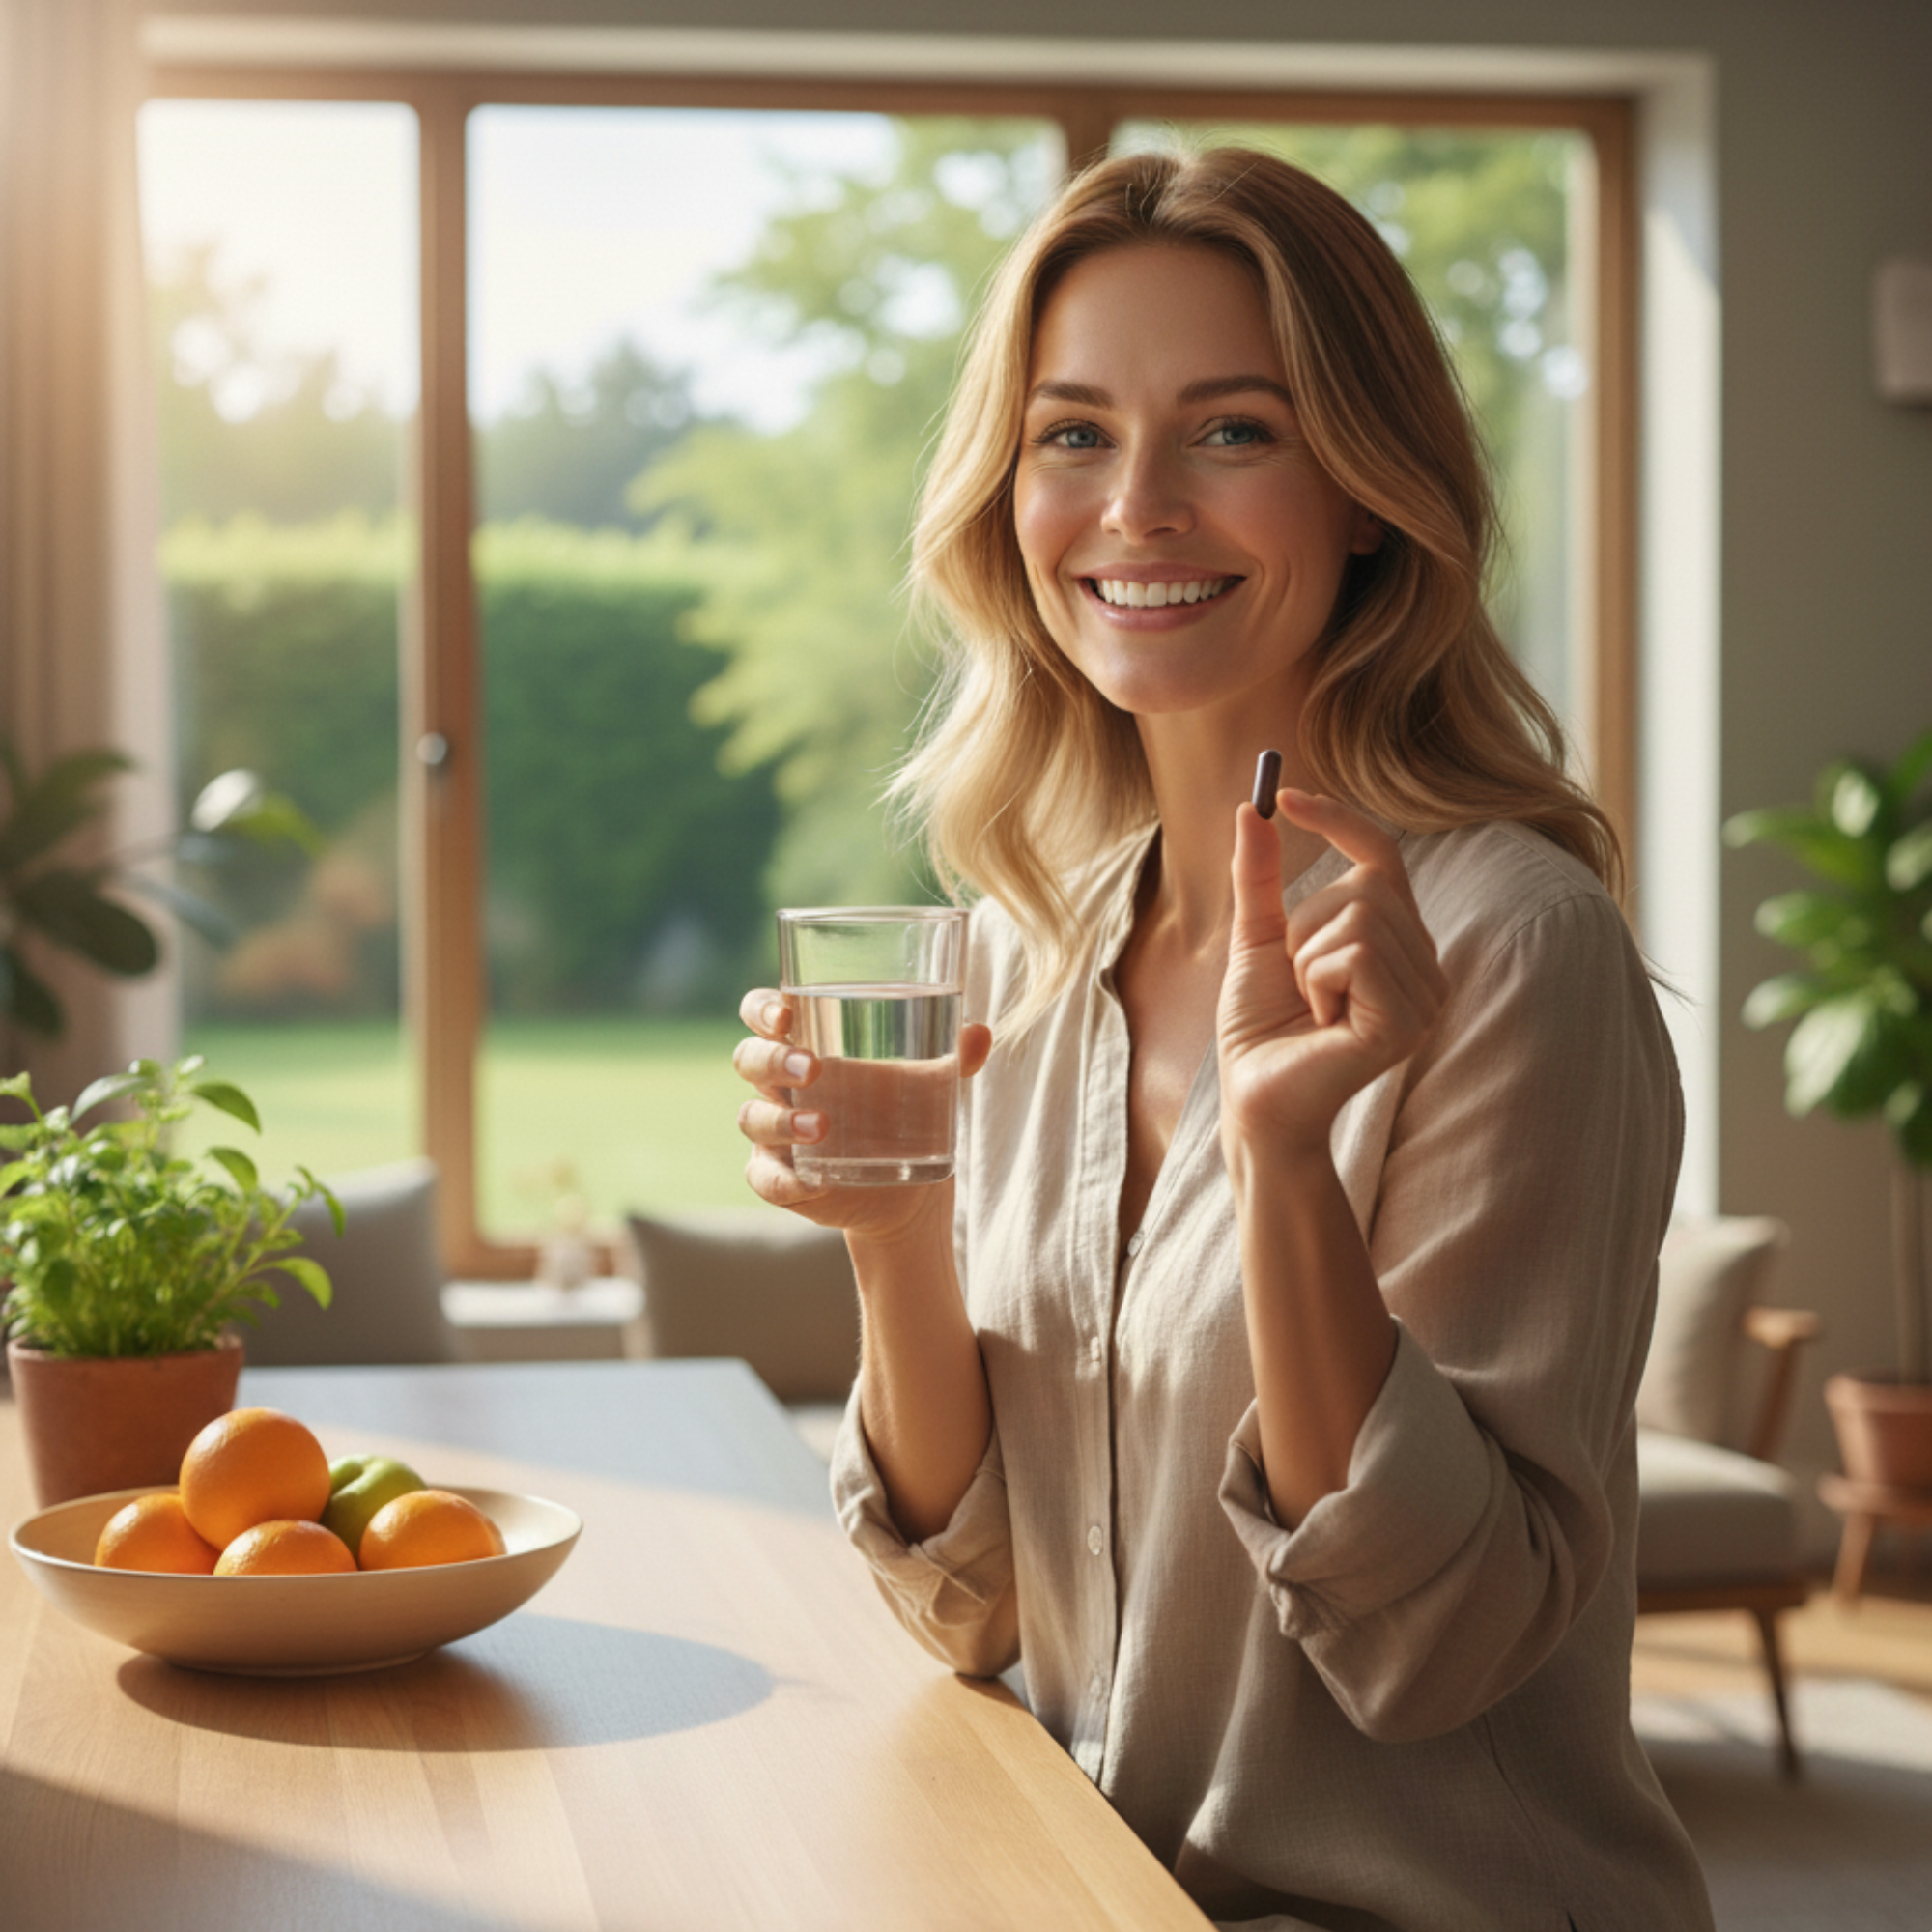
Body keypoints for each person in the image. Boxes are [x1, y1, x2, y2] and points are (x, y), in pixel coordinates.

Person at [732, 146, 1713, 1932]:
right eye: (1074, 433)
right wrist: (893, 1227)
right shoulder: (1045, 953)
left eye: (1236, 430)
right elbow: (978, 1611)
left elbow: (1444, 1638)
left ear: (1366, 491)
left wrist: (1280, 1166)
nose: (1139, 507)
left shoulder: (1516, 948)